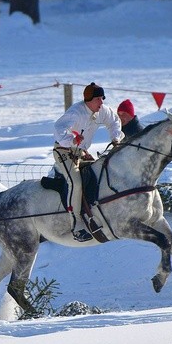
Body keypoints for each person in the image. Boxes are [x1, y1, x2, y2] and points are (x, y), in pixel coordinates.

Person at [53, 82, 123, 242]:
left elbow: (114, 122)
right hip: (63, 151)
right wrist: (72, 139)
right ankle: (76, 224)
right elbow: (58, 129)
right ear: (88, 100)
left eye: (102, 98)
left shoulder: (102, 111)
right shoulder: (76, 112)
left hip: (82, 153)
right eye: (98, 98)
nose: (102, 102)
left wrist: (116, 138)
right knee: (75, 183)